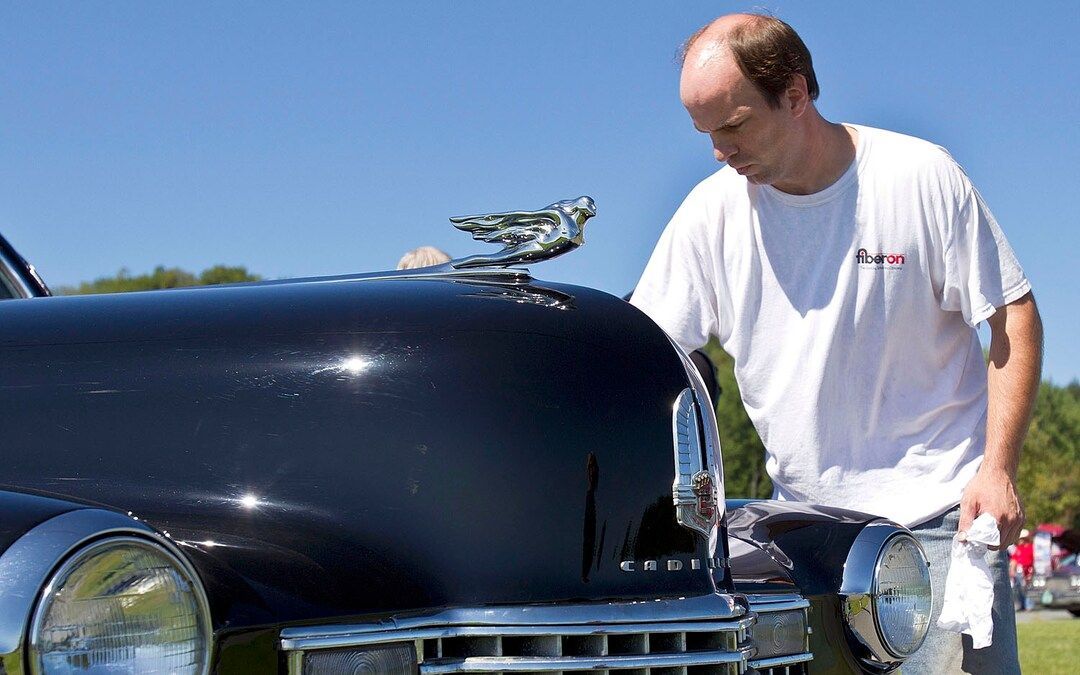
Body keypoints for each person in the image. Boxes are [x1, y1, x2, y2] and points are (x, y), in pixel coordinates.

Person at [629, 13, 1043, 674]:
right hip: (803, 540)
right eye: (704, 133)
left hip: (939, 517)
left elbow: (1012, 315)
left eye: (733, 126)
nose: (719, 151)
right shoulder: (710, 216)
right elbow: (644, 354)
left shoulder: (918, 177)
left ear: (796, 95)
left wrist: (997, 468)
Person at [1009, 529, 1034, 611]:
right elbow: (1014, 560)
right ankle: (1021, 604)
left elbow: (1034, 560)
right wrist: (1012, 570)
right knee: (1019, 589)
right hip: (1020, 571)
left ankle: (1029, 605)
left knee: (1028, 588)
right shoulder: (1019, 549)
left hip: (1029, 570)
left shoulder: (1032, 548)